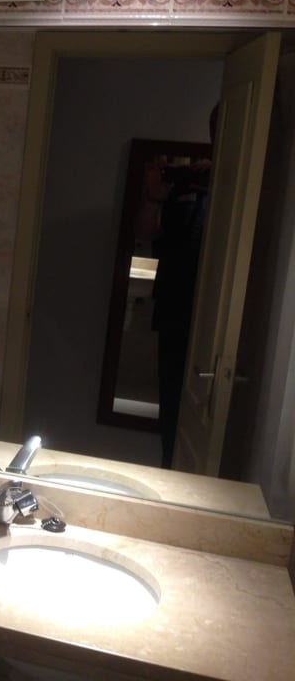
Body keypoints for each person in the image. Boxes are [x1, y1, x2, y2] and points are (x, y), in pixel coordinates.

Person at [151, 106, 217, 468]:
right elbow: (145, 233)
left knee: (207, 416)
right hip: (175, 307)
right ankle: (169, 466)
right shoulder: (182, 186)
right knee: (173, 405)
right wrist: (155, 195)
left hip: (217, 315)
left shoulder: (239, 180)